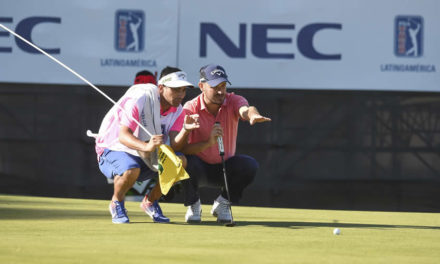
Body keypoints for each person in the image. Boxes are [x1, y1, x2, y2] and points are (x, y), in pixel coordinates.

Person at [169, 64, 271, 223]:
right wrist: (205, 141)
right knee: (183, 159)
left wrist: (253, 115)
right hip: (198, 169)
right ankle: (194, 203)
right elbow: (179, 148)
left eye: (223, 86)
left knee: (249, 165)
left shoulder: (234, 100)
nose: (220, 91)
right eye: (215, 86)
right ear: (202, 86)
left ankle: (223, 203)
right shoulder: (189, 108)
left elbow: (246, 109)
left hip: (225, 167)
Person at [94, 66, 194, 224]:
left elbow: (175, 146)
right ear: (161, 87)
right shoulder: (140, 99)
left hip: (146, 155)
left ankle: (150, 202)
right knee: (131, 169)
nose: (181, 95)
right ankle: (116, 203)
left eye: (183, 90)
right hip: (112, 148)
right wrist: (146, 147)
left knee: (180, 162)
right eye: (176, 89)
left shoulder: (179, 110)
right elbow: (123, 136)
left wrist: (186, 130)